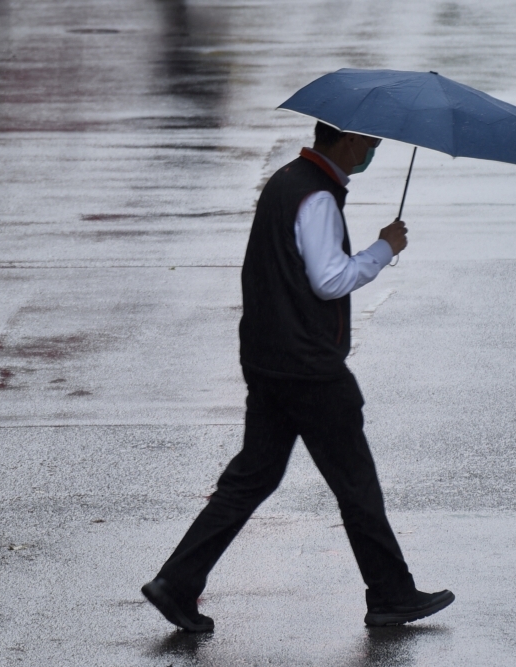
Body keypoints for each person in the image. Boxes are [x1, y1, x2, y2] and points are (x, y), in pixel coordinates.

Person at [141, 121, 454, 631]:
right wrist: (384, 249)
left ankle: (177, 583)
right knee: (356, 483)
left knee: (252, 478)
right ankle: (392, 594)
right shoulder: (318, 198)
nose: (374, 151)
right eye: (371, 142)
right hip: (308, 367)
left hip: (269, 357)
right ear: (348, 140)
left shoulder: (287, 180)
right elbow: (330, 280)